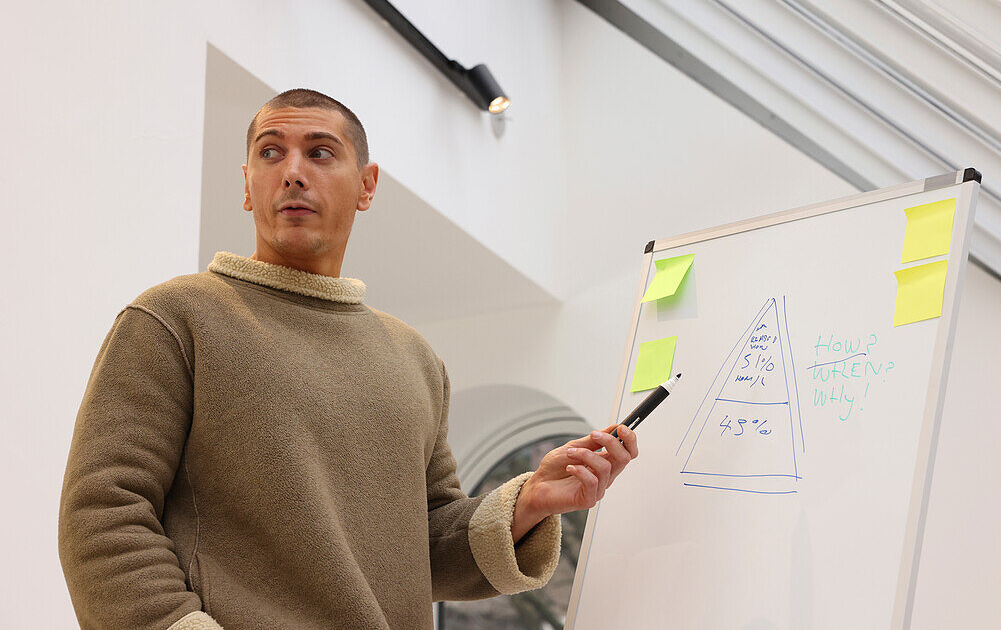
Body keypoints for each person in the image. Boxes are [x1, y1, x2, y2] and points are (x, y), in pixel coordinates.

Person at [58, 89, 639, 629]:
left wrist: (533, 498)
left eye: (319, 153)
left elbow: (428, 543)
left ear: (366, 185)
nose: (292, 172)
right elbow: (104, 514)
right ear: (246, 184)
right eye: (270, 152)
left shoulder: (413, 358)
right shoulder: (175, 318)